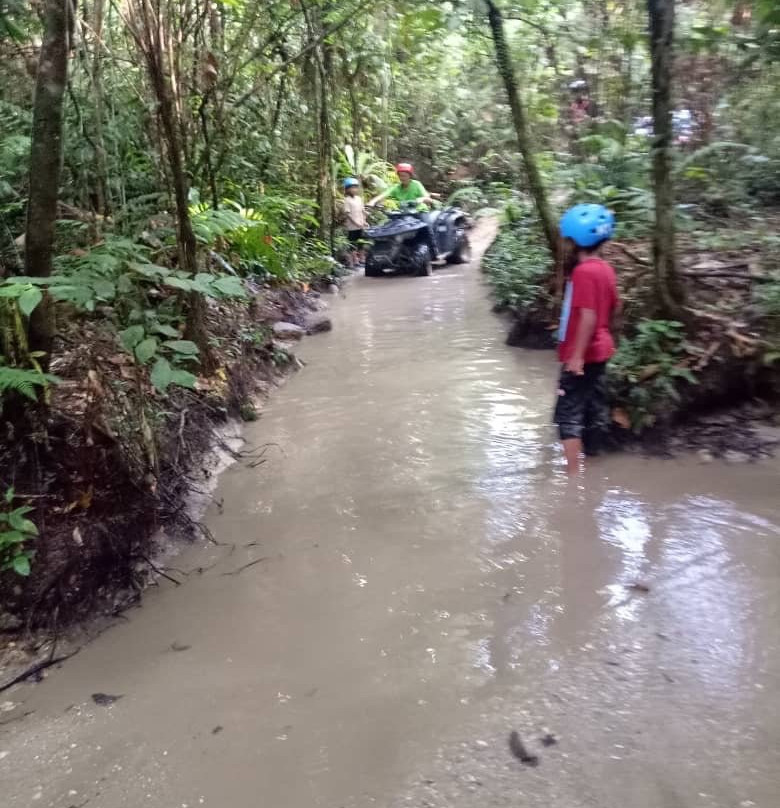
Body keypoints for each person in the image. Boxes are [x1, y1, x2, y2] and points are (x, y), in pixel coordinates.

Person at [554, 203, 620, 475]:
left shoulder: (584, 272)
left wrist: (577, 355)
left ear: (574, 240)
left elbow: (588, 316)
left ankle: (573, 476)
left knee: (568, 411)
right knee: (593, 405)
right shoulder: (604, 268)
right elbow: (616, 306)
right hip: (601, 350)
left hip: (585, 353)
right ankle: (593, 463)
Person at [368, 162, 438, 257]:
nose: (402, 178)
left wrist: (421, 199)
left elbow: (427, 198)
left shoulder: (416, 185)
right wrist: (372, 202)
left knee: (428, 229)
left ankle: (434, 252)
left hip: (419, 212)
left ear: (410, 175)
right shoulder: (396, 187)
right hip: (403, 214)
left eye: (404, 176)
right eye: (400, 176)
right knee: (388, 228)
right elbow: (384, 195)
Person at [340, 177, 367, 268]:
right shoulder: (347, 200)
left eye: (356, 187)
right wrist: (356, 223)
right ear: (347, 189)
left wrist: (364, 221)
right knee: (353, 243)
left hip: (361, 225)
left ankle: (362, 259)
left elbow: (362, 211)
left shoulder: (359, 198)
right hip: (352, 226)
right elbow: (348, 214)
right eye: (352, 187)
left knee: (361, 242)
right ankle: (355, 261)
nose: (354, 189)